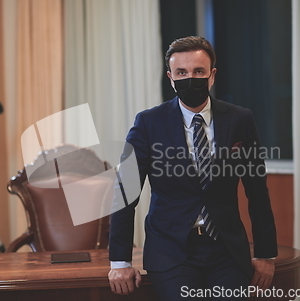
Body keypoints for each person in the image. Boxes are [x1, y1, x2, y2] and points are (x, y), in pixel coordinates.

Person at [108, 36, 277, 300]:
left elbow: (257, 190)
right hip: (171, 252)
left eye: (198, 71)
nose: (191, 78)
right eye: (182, 72)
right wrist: (120, 262)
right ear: (170, 77)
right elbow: (126, 192)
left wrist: (265, 253)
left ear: (212, 75)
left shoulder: (240, 120)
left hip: (227, 251)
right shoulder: (147, 123)